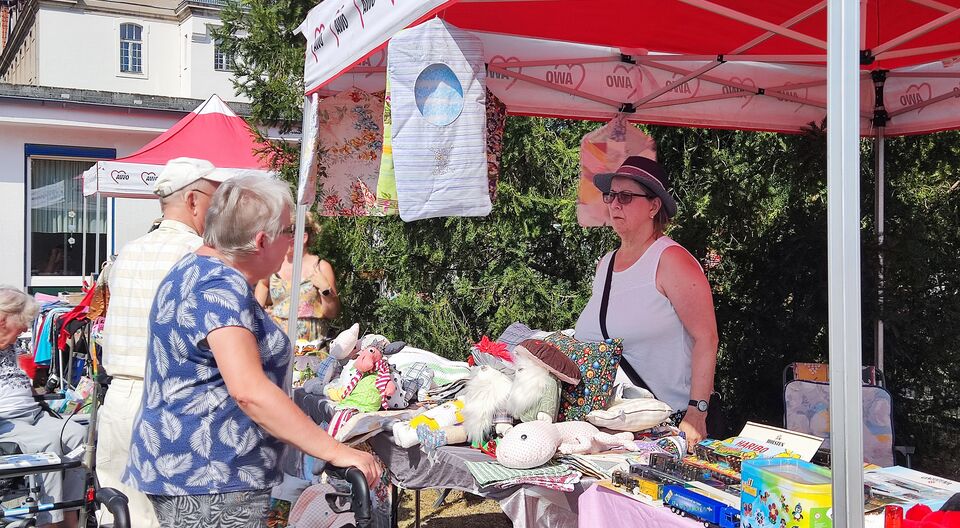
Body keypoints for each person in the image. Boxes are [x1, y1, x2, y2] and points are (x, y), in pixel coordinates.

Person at [123, 174, 380, 528]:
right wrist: (335, 451)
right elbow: (249, 392)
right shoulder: (219, 286)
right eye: (288, 231)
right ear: (262, 240)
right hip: (211, 478)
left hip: (200, 473)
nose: (293, 240)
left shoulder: (195, 267)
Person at [97, 157, 231, 528]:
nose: (218, 210)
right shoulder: (196, 255)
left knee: (120, 515)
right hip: (172, 402)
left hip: (121, 397)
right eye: (213, 199)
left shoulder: (127, 252)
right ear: (192, 201)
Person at [574, 156, 719, 449]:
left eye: (626, 197)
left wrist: (697, 413)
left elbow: (707, 338)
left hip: (668, 429)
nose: (614, 204)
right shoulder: (605, 264)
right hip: (613, 430)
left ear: (654, 206)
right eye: (611, 195)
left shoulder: (671, 260)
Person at [0, 286, 86, 528]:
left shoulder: (8, 342)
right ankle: (50, 522)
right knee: (46, 446)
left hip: (34, 413)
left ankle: (71, 514)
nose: (27, 329)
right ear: (3, 319)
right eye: (23, 323)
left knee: (79, 436)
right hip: (7, 421)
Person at [255, 212, 340, 343]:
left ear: (303, 237)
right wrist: (260, 315)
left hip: (311, 348)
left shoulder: (320, 267)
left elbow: (332, 313)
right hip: (277, 345)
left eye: (283, 234)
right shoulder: (274, 265)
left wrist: (325, 289)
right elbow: (263, 285)